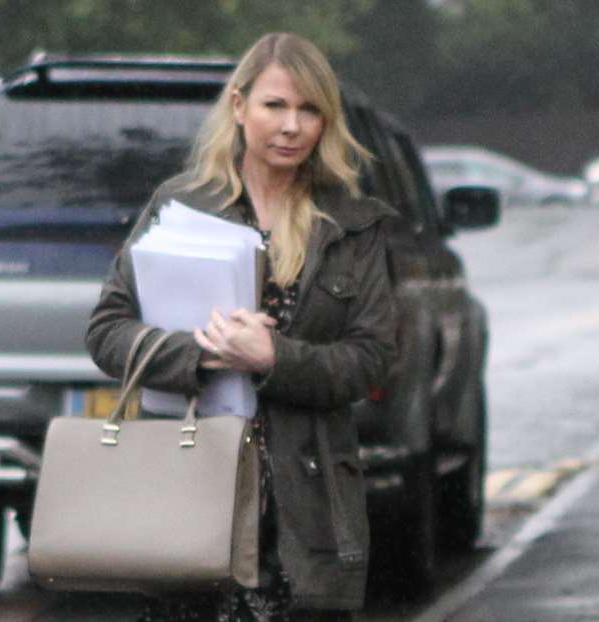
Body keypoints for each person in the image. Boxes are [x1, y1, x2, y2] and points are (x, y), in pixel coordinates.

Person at [86, 32, 396, 622]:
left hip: (308, 507)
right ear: (239, 107)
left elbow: (374, 357)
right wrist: (199, 353)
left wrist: (273, 357)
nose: (291, 126)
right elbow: (107, 330)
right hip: (192, 484)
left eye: (310, 110)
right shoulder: (180, 208)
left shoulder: (354, 224)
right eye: (275, 105)